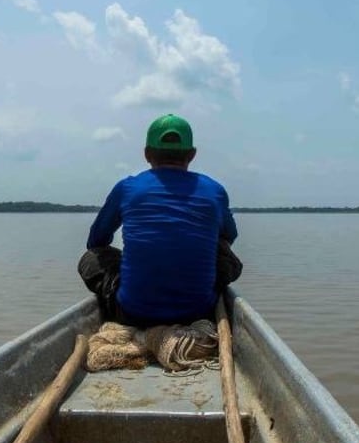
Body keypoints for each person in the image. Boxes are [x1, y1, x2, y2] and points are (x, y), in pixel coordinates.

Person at [78, 114, 242, 327]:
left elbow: (96, 242)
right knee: (229, 260)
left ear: (147, 154)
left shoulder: (127, 188)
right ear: (192, 155)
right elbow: (229, 237)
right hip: (199, 313)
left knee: (90, 258)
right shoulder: (214, 191)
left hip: (133, 314)